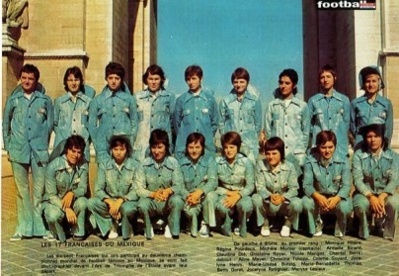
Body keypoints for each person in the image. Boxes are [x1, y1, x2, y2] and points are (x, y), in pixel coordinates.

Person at [2, 64, 54, 241]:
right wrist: (9, 146)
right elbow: (6, 124)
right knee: (21, 190)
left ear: (36, 80)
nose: (26, 81)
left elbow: (49, 124)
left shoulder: (44, 100)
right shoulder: (13, 100)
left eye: (30, 78)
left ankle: (40, 228)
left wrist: (42, 143)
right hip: (18, 150)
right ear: (20, 78)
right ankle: (23, 227)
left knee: (40, 190)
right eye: (24, 77)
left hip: (39, 152)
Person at [87, 135, 143, 240]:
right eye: (115, 149)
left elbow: (137, 190)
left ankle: (128, 224)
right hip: (110, 203)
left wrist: (121, 201)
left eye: (122, 149)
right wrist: (110, 201)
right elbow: (98, 189)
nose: (118, 152)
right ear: (111, 150)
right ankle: (111, 225)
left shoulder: (136, 165)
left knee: (127, 208)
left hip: (127, 201)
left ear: (127, 150)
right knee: (91, 203)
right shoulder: (104, 165)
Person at [352, 120, 399, 241]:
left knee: (394, 202)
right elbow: (357, 180)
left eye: (376, 136)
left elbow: (394, 180)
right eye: (369, 136)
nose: (372, 140)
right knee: (361, 204)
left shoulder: (393, 156)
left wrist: (382, 196)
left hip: (385, 193)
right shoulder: (358, 155)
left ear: (383, 137)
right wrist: (371, 197)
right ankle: (364, 226)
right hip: (365, 193)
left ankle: (385, 227)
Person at [302, 130, 352, 237]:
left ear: (335, 146)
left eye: (330, 147)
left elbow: (346, 185)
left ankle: (339, 223)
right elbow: (307, 185)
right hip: (318, 197)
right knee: (306, 202)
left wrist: (336, 198)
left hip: (336, 198)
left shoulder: (344, 161)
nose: (327, 151)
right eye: (323, 147)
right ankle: (317, 223)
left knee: (345, 206)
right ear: (318, 147)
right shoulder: (310, 161)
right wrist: (318, 197)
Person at [136, 129, 184, 240]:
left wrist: (168, 191)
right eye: (154, 147)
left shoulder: (173, 163)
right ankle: (148, 227)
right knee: (142, 204)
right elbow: (139, 188)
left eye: (160, 147)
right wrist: (152, 194)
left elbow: (179, 185)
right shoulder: (144, 164)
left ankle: (171, 226)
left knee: (177, 200)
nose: (156, 151)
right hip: (152, 202)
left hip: (167, 202)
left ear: (166, 147)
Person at [252, 137, 302, 237]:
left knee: (298, 203)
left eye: (274, 153)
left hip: (283, 203)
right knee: (255, 198)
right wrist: (270, 196)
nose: (271, 157)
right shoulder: (260, 164)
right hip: (268, 203)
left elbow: (294, 188)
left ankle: (287, 225)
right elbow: (260, 187)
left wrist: (283, 197)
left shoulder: (290, 166)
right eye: (268, 153)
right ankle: (265, 223)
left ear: (281, 153)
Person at [88, 62, 138, 164]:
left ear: (121, 79)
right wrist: (98, 145)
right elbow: (92, 125)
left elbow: (134, 122)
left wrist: (130, 141)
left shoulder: (130, 99)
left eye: (117, 78)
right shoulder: (97, 100)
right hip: (103, 148)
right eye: (110, 78)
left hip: (124, 147)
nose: (113, 81)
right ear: (106, 78)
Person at [43, 135, 88, 242]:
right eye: (73, 151)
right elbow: (51, 195)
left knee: (83, 202)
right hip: (56, 204)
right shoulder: (53, 167)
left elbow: (83, 188)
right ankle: (56, 231)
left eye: (79, 152)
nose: (75, 155)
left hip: (73, 202)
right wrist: (66, 208)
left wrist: (72, 193)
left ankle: (77, 230)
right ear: (66, 150)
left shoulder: (83, 165)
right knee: (53, 215)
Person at [264, 69, 310, 172]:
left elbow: (306, 132)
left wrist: (301, 150)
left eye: (287, 83)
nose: (283, 86)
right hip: (278, 155)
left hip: (296, 155)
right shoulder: (272, 105)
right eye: (281, 82)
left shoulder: (302, 106)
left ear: (294, 85)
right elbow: (268, 131)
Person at [212, 131, 254, 237]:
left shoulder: (246, 162)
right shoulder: (217, 162)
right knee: (221, 206)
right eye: (226, 147)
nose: (229, 150)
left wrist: (238, 195)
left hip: (241, 193)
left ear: (238, 147)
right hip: (225, 193)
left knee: (246, 206)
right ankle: (227, 223)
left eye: (232, 147)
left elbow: (250, 185)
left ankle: (241, 223)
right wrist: (227, 192)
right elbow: (213, 184)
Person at [219, 67, 263, 165]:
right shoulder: (225, 101)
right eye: (236, 82)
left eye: (242, 82)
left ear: (247, 82)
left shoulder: (255, 101)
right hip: (232, 147)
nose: (238, 85)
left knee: (250, 175)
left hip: (250, 146)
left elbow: (258, 124)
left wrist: (253, 140)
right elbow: (221, 124)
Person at [174, 65, 218, 159]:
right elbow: (177, 124)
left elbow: (214, 123)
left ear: (201, 78)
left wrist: (207, 135)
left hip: (206, 148)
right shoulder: (181, 100)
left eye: (194, 78)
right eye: (188, 79)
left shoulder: (210, 100)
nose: (191, 82)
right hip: (186, 148)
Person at [133, 64, 176, 162]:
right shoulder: (137, 97)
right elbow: (133, 122)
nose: (153, 82)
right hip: (142, 147)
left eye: (156, 79)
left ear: (161, 80)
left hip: (162, 148)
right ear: (146, 80)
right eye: (150, 79)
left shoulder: (169, 97)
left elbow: (173, 122)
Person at [179, 132, 218, 238]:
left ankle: (205, 224)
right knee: (190, 212)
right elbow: (179, 185)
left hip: (204, 196)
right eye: (191, 147)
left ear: (203, 148)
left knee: (211, 196)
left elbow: (212, 182)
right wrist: (189, 196)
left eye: (197, 147)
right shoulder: (181, 163)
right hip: (189, 197)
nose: (194, 150)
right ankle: (188, 222)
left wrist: (200, 192)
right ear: (186, 148)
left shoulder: (210, 161)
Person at [308, 65, 350, 158]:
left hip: (339, 148)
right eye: (322, 77)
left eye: (328, 76)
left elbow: (346, 124)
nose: (325, 80)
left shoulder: (344, 100)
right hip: (320, 149)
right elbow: (309, 125)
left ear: (334, 78)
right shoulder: (313, 101)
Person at [53, 66, 94, 161]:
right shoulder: (59, 102)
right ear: (66, 82)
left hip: (82, 150)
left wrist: (85, 139)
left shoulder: (89, 102)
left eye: (76, 79)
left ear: (81, 81)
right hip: (63, 149)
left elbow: (92, 126)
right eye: (70, 80)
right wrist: (63, 136)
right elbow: (55, 124)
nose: (73, 83)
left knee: (82, 175)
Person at [350, 66, 393, 150]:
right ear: (363, 83)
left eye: (374, 81)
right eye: (368, 81)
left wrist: (384, 145)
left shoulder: (386, 104)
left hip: (380, 147)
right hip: (361, 146)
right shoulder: (355, 103)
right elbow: (352, 127)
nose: (371, 84)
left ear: (379, 82)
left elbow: (388, 128)